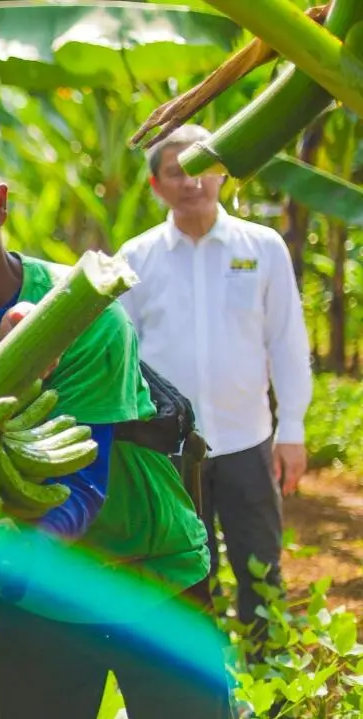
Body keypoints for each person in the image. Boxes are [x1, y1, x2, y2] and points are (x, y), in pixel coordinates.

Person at [0, 123, 230, 718]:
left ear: (1, 205)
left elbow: (80, 481)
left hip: (149, 573)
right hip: (41, 598)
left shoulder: (80, 311)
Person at [119, 124, 313, 642]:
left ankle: (270, 685)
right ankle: (204, 693)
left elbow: (287, 340)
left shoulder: (262, 247)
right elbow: (122, 357)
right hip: (171, 455)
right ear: (157, 185)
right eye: (175, 172)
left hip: (248, 441)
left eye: (202, 169)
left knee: (261, 574)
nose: (191, 183)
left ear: (223, 173)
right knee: (187, 584)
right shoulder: (135, 259)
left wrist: (291, 428)